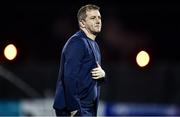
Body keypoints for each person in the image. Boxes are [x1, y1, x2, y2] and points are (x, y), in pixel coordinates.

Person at [53, 4, 106, 116]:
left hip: (88, 108)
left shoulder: (94, 45)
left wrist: (103, 75)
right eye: (93, 18)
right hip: (77, 108)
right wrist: (74, 108)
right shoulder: (77, 42)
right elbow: (69, 76)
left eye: (99, 17)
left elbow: (89, 75)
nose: (98, 21)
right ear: (82, 23)